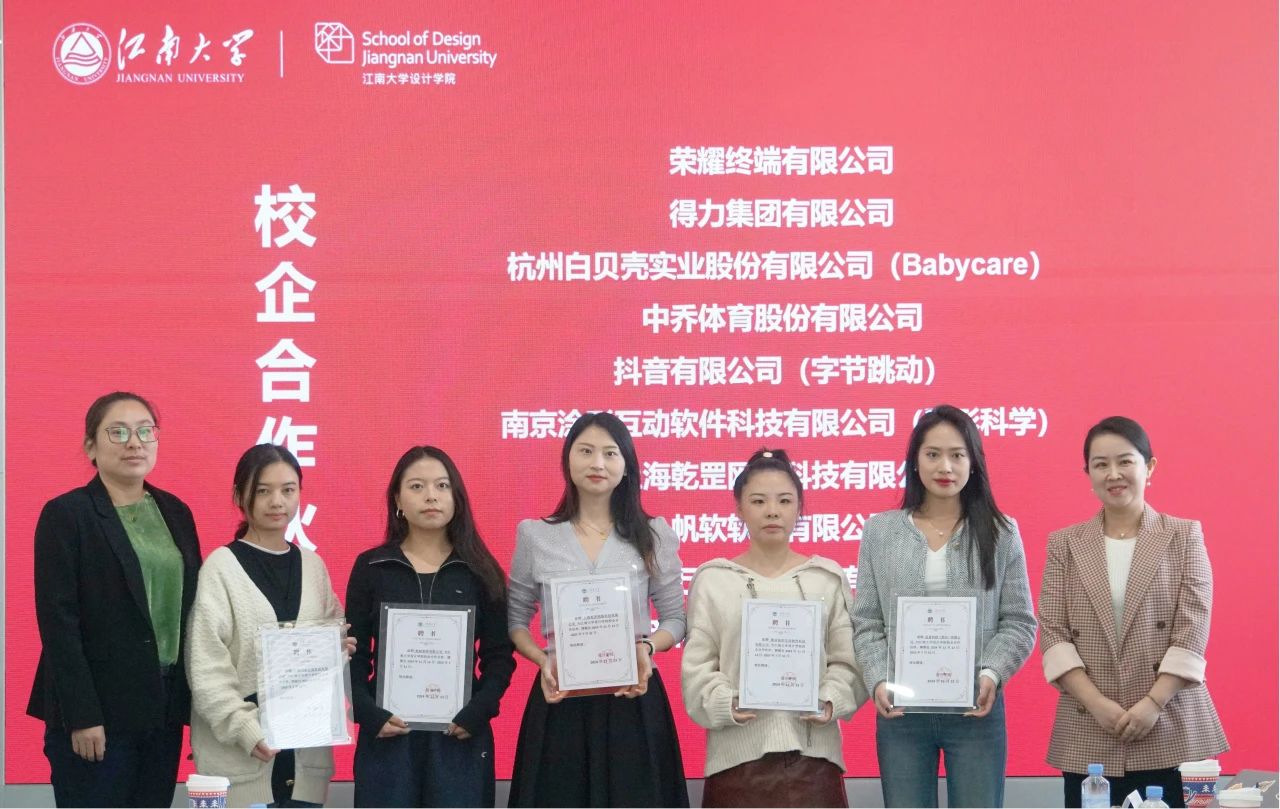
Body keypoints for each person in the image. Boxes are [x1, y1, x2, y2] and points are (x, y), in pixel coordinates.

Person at [852, 404, 1037, 808]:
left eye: (957, 455)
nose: (945, 466)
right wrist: (878, 679)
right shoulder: (880, 531)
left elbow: (1019, 622)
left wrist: (992, 673)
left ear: (974, 463)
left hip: (975, 708)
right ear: (915, 461)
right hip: (902, 713)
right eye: (933, 454)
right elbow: (865, 620)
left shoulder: (1001, 532)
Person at [1039, 417, 1227, 808]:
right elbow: (1054, 632)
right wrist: (1097, 705)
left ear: (1149, 467)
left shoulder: (1183, 535)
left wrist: (1153, 703)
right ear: (1088, 473)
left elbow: (1193, 625)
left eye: (1125, 461)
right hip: (1089, 723)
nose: (1113, 474)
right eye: (1100, 464)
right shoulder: (1065, 544)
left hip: (1169, 720)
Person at [507, 412, 689, 807]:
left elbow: (676, 619)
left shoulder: (653, 533)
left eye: (610, 453)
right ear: (568, 460)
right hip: (561, 698)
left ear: (626, 465)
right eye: (586, 451)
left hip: (633, 697)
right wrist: (542, 659)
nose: (598, 463)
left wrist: (647, 648)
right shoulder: (536, 535)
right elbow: (516, 620)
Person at [29, 391, 202, 808]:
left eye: (145, 431)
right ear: (91, 446)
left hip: (162, 706)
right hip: (98, 713)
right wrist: (82, 715)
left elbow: (194, 609)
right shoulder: (67, 514)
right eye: (118, 432)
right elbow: (58, 624)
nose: (134, 443)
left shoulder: (175, 512)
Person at [682, 449, 868, 807]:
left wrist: (829, 701)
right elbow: (697, 667)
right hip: (736, 762)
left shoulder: (826, 578)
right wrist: (726, 703)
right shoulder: (713, 580)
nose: (772, 511)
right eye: (758, 501)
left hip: (814, 761)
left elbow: (849, 661)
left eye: (784, 500)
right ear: (739, 508)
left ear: (799, 508)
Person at [346, 446, 516, 807]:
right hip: (388, 736)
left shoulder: (480, 570)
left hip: (459, 736)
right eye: (417, 486)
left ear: (456, 497)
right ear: (398, 499)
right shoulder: (372, 567)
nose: (431, 496)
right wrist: (368, 713)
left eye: (442, 485)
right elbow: (354, 655)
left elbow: (500, 656)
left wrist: (479, 711)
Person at [186, 444, 351, 807]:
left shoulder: (312, 565)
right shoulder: (221, 568)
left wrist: (339, 649)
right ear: (239, 496)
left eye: (288, 490)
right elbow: (206, 668)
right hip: (241, 766)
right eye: (263, 491)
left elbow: (334, 637)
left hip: (305, 762)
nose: (277, 501)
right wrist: (246, 730)